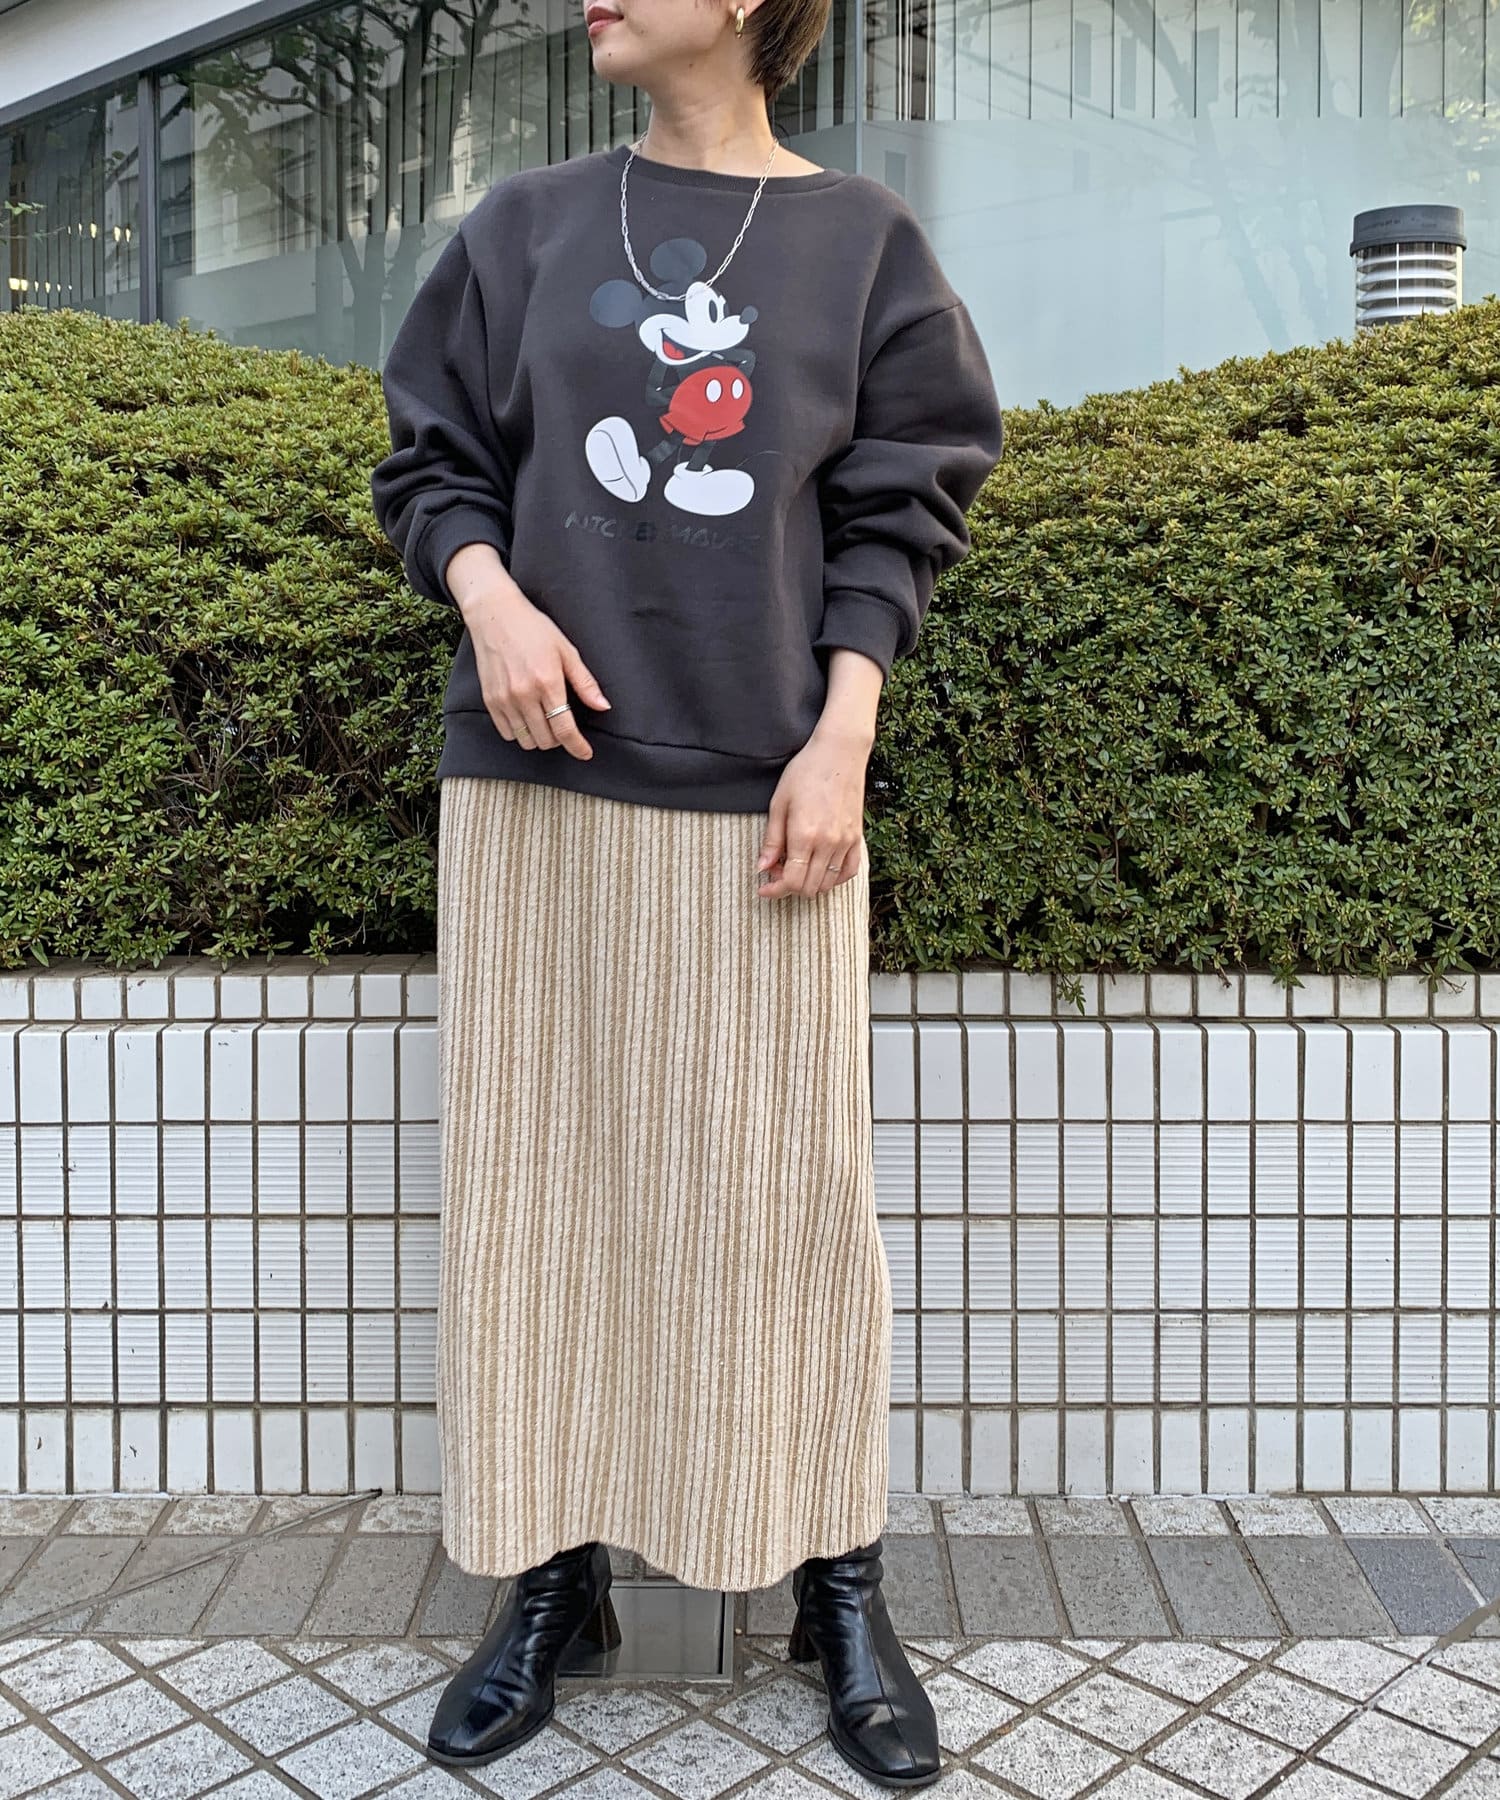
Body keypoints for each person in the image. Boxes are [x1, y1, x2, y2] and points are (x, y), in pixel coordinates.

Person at [369, 0, 1004, 1784]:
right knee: (542, 1180)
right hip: (539, 786)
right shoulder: (525, 226)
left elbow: (902, 509)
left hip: (765, 793)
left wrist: (843, 736)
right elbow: (430, 459)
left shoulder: (863, 242)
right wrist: (492, 601)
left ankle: (837, 1581)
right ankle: (553, 1578)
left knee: (788, 1194)